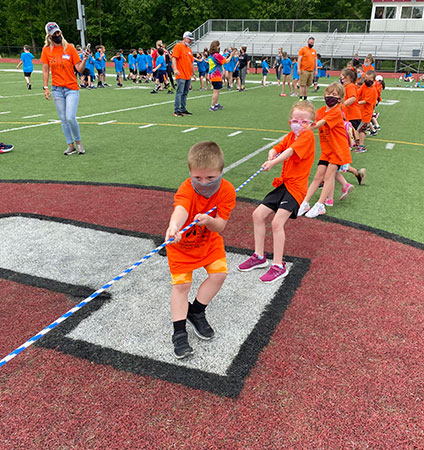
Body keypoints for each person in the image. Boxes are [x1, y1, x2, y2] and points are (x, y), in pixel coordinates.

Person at [165, 141, 236, 358]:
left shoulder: (227, 190)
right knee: (182, 286)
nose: (203, 183)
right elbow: (181, 208)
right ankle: (179, 333)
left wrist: (208, 221)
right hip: (181, 246)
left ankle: (196, 311)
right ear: (190, 173)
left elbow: (221, 225)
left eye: (210, 178)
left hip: (209, 241)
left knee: (219, 274)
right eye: (198, 178)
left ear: (220, 172)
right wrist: (174, 226)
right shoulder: (187, 188)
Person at [237, 101, 316, 283]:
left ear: (310, 124)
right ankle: (259, 256)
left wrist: (273, 162)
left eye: (303, 122)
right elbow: (281, 147)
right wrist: (272, 151)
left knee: (276, 223)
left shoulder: (308, 136)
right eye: (295, 120)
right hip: (285, 184)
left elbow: (289, 152)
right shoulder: (292, 135)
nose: (298, 124)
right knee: (258, 215)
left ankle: (278, 266)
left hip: (296, 188)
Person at [298, 83, 353, 218]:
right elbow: (313, 118)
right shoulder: (322, 110)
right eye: (328, 93)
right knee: (318, 176)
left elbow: (319, 123)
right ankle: (305, 202)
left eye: (334, 95)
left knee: (329, 177)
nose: (330, 96)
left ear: (340, 99)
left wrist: (305, 128)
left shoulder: (336, 112)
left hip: (338, 151)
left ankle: (320, 205)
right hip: (327, 150)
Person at [41, 22, 88, 155]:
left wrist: (84, 60)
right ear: (49, 36)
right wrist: (45, 87)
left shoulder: (70, 48)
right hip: (57, 89)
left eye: (58, 32)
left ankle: (78, 142)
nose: (57, 35)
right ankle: (70, 144)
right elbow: (45, 70)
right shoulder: (46, 50)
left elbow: (79, 69)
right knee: (63, 118)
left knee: (70, 117)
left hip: (71, 88)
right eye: (54, 33)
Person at [207, 41, 235, 112]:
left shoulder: (212, 55)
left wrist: (226, 54)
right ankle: (212, 106)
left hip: (213, 75)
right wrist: (231, 55)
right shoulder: (217, 55)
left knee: (217, 90)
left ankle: (216, 104)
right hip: (216, 75)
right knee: (216, 91)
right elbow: (226, 61)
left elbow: (221, 58)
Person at [172, 31, 194, 117]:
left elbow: (191, 62)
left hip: (188, 74)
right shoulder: (178, 46)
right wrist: (175, 69)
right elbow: (174, 58)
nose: (190, 41)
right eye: (189, 39)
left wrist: (193, 73)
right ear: (185, 38)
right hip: (181, 74)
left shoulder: (189, 49)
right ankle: (177, 110)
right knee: (180, 92)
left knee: (185, 92)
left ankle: (183, 108)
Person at [356, 70, 378, 153]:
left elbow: (366, 101)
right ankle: (358, 143)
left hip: (367, 113)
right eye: (366, 78)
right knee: (358, 129)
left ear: (373, 80)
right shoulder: (364, 86)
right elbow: (358, 93)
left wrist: (356, 103)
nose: (367, 81)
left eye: (369, 79)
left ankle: (362, 146)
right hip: (361, 112)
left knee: (361, 130)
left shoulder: (373, 90)